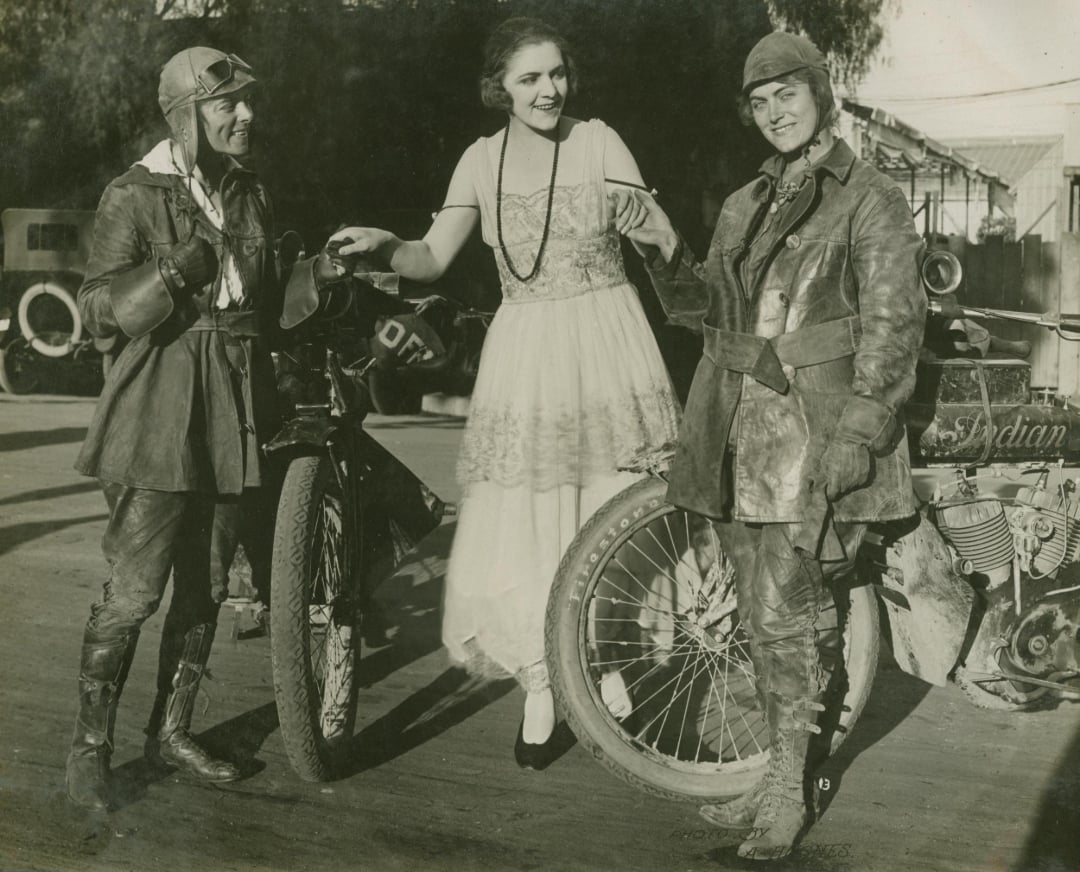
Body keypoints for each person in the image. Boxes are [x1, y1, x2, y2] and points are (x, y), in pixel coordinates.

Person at [332, 17, 680, 769]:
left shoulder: (599, 142)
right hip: (526, 353)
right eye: (530, 79)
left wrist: (650, 226)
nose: (548, 90)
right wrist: (385, 244)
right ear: (500, 88)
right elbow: (430, 257)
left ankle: (605, 660)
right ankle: (541, 682)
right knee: (527, 518)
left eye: (557, 74)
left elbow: (661, 237)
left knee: (609, 503)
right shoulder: (480, 161)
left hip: (607, 342)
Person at [627, 32, 926, 859]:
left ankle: (790, 786)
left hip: (815, 431)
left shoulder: (871, 197)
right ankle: (773, 778)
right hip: (734, 436)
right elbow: (708, 314)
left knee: (785, 610)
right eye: (759, 103)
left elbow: (895, 327)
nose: (773, 113)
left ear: (821, 93)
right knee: (762, 621)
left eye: (786, 95)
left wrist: (860, 431)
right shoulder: (742, 202)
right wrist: (662, 249)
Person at [65, 46, 281, 810]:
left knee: (208, 585)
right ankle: (90, 752)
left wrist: (324, 275)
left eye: (247, 101)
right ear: (187, 113)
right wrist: (168, 273)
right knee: (133, 594)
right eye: (227, 105)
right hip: (155, 413)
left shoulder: (249, 193)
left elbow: (266, 303)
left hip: (231, 412)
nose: (245, 115)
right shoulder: (135, 193)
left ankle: (172, 732)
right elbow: (95, 309)